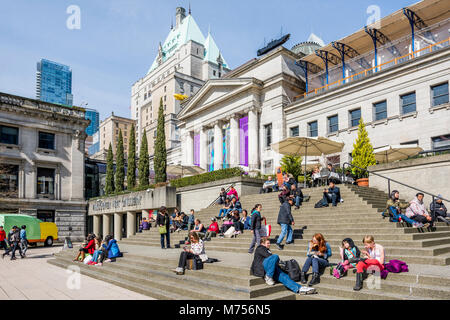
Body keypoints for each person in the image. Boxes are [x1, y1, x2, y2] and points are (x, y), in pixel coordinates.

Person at [251, 237, 316, 295]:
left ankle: (299, 288)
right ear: (262, 243)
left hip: (269, 269)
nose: (269, 244)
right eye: (267, 243)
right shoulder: (260, 248)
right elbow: (270, 257)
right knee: (275, 256)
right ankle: (268, 277)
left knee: (284, 276)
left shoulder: (267, 249)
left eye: (269, 243)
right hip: (261, 268)